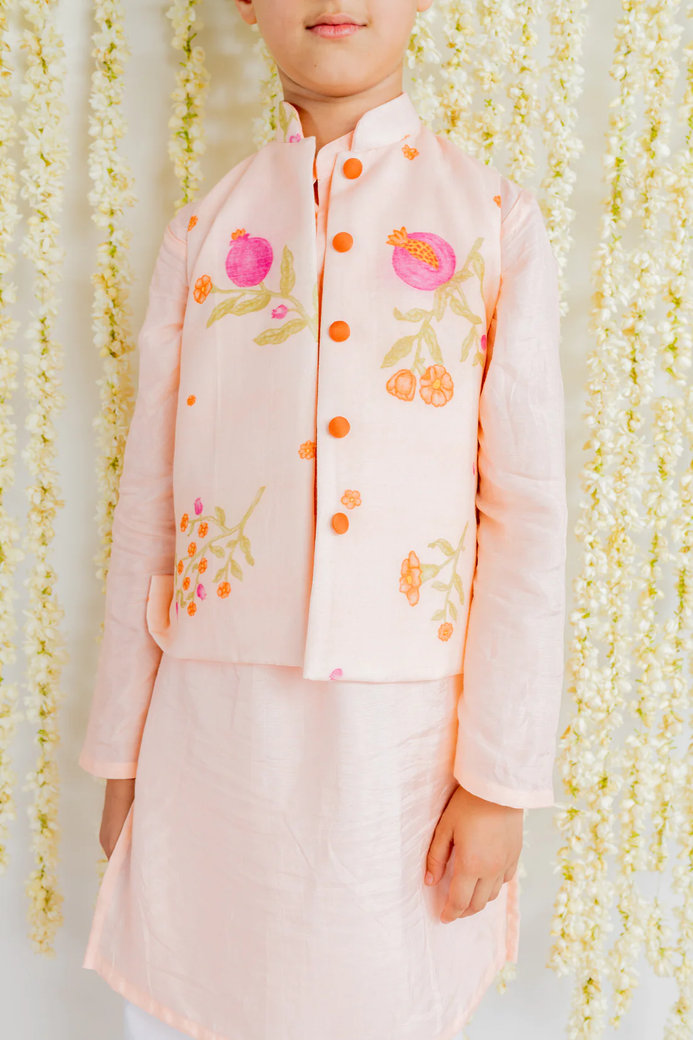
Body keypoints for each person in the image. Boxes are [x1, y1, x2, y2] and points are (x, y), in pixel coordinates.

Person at [79, 2, 568, 1038]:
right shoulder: (204, 230)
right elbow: (149, 504)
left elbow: (526, 517)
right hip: (211, 737)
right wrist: (120, 755)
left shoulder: (493, 220)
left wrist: (497, 785)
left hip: (402, 749)